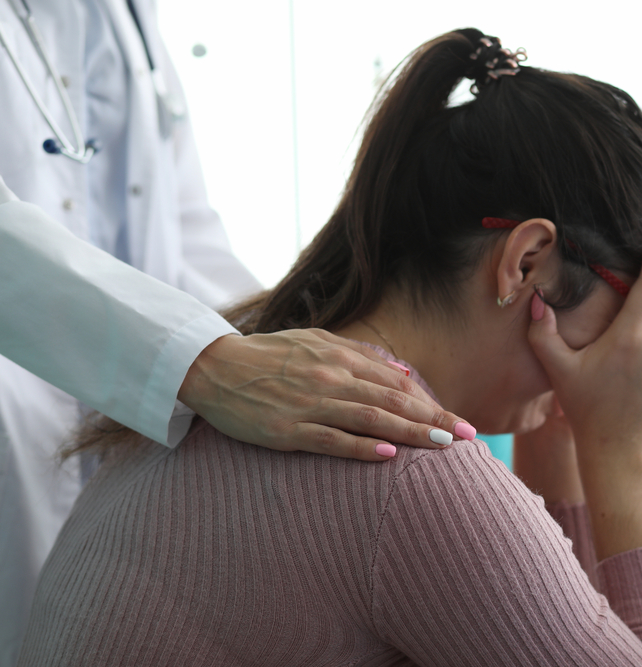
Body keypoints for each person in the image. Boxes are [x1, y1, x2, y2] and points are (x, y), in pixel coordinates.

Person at [14, 28, 642, 666]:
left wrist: (564, 437)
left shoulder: (247, 412)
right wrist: (623, 451)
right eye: (630, 316)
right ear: (528, 264)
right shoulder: (403, 463)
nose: (631, 353)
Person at [0, 2, 471, 664]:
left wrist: (315, 358)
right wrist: (205, 364)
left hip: (117, 471)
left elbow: (184, 234)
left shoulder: (121, 15)